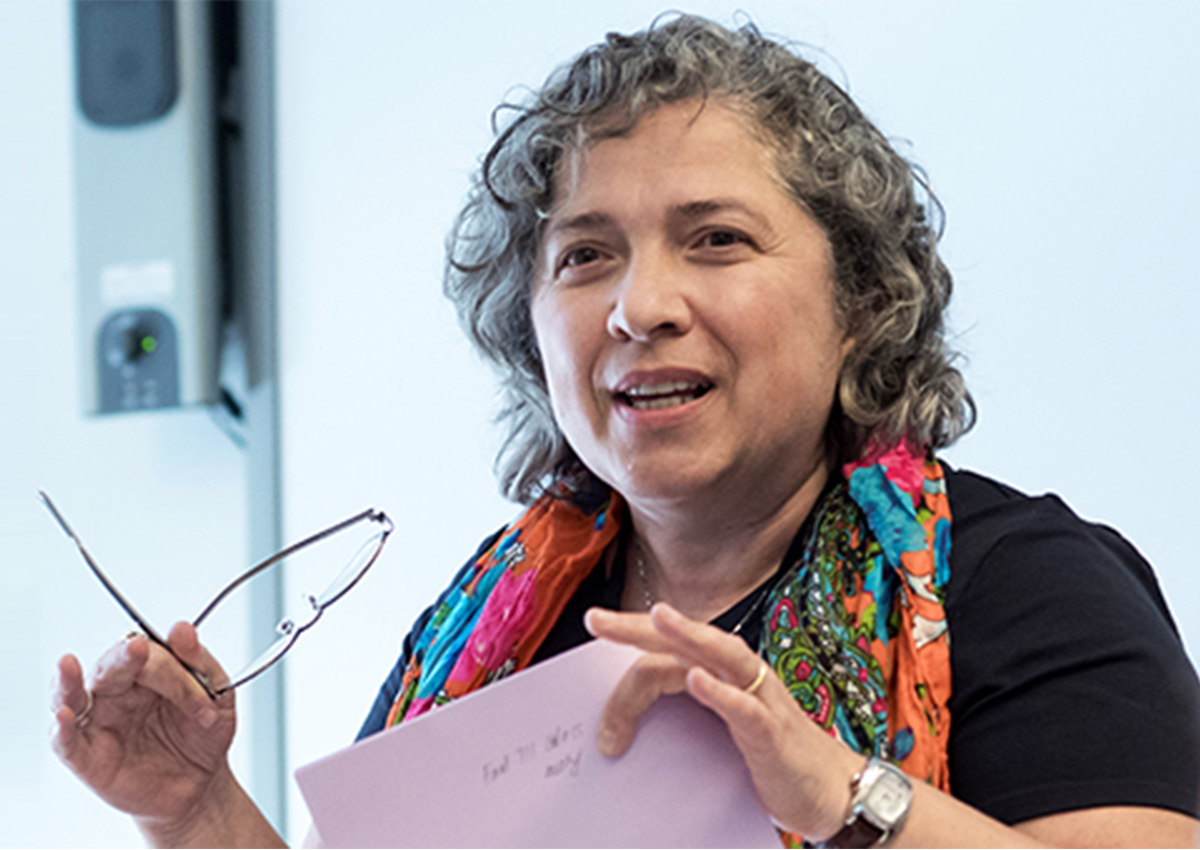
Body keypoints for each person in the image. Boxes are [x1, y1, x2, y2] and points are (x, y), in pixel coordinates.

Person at [52, 14, 1200, 848]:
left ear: (860, 301)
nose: (638, 305)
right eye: (585, 255)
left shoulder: (1027, 587)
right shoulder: (481, 630)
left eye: (716, 239)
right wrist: (192, 810)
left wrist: (845, 798)